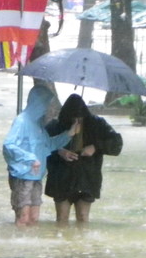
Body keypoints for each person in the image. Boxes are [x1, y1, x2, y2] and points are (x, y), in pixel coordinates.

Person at [3, 85, 80, 227]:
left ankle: (30, 246)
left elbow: (49, 145)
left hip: (37, 176)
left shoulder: (38, 124)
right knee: (23, 217)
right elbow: (8, 145)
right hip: (22, 175)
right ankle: (20, 245)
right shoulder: (22, 121)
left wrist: (69, 133)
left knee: (34, 218)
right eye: (45, 103)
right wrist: (30, 158)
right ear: (36, 102)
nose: (47, 107)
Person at [45, 93, 123, 224]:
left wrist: (96, 147)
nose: (77, 121)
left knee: (82, 217)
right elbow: (41, 145)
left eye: (80, 118)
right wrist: (60, 151)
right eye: (73, 118)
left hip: (87, 178)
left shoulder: (97, 124)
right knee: (62, 219)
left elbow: (116, 143)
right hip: (61, 178)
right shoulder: (55, 126)